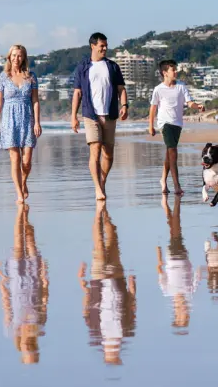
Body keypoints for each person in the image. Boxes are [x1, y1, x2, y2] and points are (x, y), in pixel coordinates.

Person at [71, 33, 128, 202]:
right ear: (93, 46)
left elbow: (121, 89)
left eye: (105, 45)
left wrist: (124, 105)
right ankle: (97, 188)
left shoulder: (112, 66)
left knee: (108, 154)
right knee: (95, 150)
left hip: (110, 114)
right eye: (101, 45)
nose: (104, 48)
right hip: (90, 114)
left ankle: (102, 181)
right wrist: (73, 116)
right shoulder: (83, 67)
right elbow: (77, 93)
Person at [79, 203, 137, 365]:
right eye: (114, 351)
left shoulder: (95, 332)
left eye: (112, 351)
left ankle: (99, 214)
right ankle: (103, 213)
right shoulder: (127, 330)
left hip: (98, 278)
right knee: (113, 237)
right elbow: (132, 307)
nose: (114, 348)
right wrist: (132, 288)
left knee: (99, 242)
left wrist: (83, 284)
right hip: (118, 276)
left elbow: (86, 308)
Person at [0, 44, 43, 204]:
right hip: (9, 121)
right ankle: (19, 193)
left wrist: (37, 122)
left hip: (27, 120)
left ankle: (23, 182)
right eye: (13, 55)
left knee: (26, 161)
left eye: (19, 56)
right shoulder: (2, 78)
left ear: (23, 58)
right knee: (15, 159)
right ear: (9, 57)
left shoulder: (31, 77)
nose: (16, 59)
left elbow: (35, 101)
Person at [0, 204, 49, 364]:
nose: (28, 346)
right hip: (34, 281)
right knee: (30, 242)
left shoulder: (11, 330)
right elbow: (44, 301)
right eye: (32, 349)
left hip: (16, 280)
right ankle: (25, 218)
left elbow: (6, 305)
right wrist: (44, 277)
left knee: (18, 245)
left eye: (28, 349)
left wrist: (2, 281)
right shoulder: (40, 327)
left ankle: (20, 215)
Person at [149, 60, 204, 195]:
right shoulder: (158, 89)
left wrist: (198, 106)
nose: (176, 72)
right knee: (173, 151)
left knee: (169, 153)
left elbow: (189, 103)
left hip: (177, 123)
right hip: (164, 123)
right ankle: (177, 186)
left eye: (175, 69)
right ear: (165, 73)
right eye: (173, 70)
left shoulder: (181, 86)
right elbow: (153, 108)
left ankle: (163, 179)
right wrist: (150, 125)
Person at [156, 194, 200, 334]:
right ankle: (170, 209)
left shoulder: (167, 291)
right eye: (185, 314)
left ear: (175, 311)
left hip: (172, 256)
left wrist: (159, 253)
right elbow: (197, 274)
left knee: (175, 232)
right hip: (183, 255)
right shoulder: (190, 291)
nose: (183, 309)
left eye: (181, 313)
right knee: (176, 232)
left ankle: (170, 209)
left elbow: (160, 270)